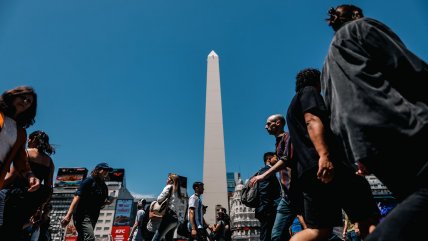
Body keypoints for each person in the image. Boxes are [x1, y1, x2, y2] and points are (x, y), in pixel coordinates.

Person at [321, 4, 428, 241]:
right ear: (357, 14)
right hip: (400, 125)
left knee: (415, 199)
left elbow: (334, 115)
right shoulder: (362, 28)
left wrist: (357, 154)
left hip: (365, 146)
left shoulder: (326, 68)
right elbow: (407, 68)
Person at [286, 68, 379, 241]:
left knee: (319, 230)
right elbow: (312, 120)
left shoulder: (292, 108)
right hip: (330, 167)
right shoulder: (309, 92)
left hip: (309, 173)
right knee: (368, 219)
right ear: (317, 82)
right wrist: (324, 155)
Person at [249, 114, 300, 241]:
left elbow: (286, 159)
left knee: (319, 230)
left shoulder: (288, 137)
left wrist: (262, 176)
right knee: (277, 235)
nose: (265, 127)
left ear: (278, 123)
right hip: (288, 196)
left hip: (297, 191)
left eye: (268, 123)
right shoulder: (278, 142)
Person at [0, 86, 40, 240]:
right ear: (13, 96)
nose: (25, 101)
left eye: (29, 101)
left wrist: (30, 175)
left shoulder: (21, 132)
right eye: (22, 97)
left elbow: (20, 159)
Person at [61, 162, 113, 241]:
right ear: (98, 170)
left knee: (82, 238)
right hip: (82, 215)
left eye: (108, 170)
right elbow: (76, 197)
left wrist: (108, 202)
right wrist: (68, 215)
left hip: (94, 215)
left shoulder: (104, 186)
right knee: (90, 238)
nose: (106, 171)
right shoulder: (89, 180)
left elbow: (100, 203)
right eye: (104, 169)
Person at [254, 152, 281, 241]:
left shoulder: (266, 171)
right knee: (266, 234)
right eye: (275, 157)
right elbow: (263, 190)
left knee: (268, 233)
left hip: (267, 208)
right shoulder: (265, 170)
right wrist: (267, 209)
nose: (277, 159)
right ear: (269, 159)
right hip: (267, 210)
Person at [151, 173, 183, 241]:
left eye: (168, 179)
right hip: (175, 219)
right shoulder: (178, 192)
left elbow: (159, 199)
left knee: (156, 238)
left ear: (171, 181)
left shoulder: (169, 187)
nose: (166, 180)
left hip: (168, 217)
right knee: (169, 239)